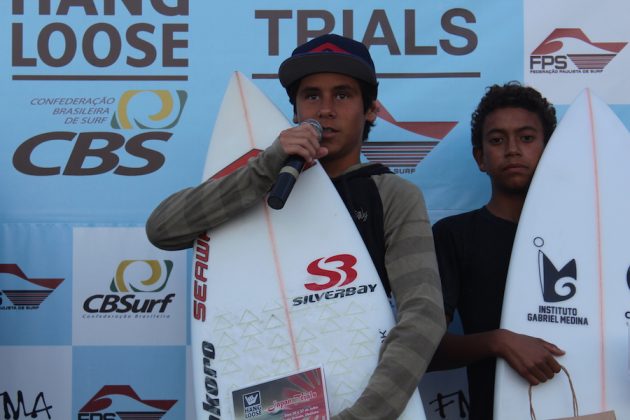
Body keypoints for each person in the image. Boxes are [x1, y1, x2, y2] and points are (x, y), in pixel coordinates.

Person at [146, 34, 445, 419]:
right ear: (294, 109)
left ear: (371, 109)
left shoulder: (391, 194)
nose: (325, 110)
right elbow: (162, 230)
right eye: (310, 96)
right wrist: (264, 169)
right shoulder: (263, 181)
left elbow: (424, 316)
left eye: (342, 95)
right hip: (263, 401)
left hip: (357, 399)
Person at [429, 82, 565, 420]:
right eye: (497, 140)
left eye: (527, 138)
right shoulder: (453, 236)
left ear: (551, 150)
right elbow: (426, 350)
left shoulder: (592, 234)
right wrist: (497, 341)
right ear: (480, 157)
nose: (513, 150)